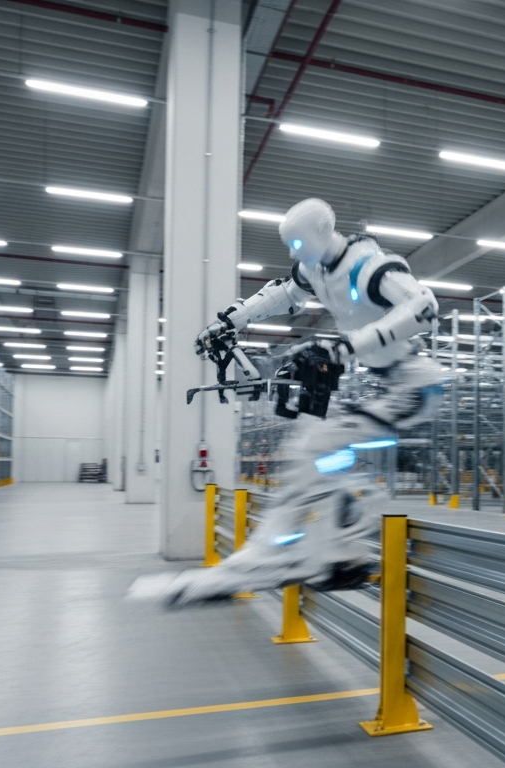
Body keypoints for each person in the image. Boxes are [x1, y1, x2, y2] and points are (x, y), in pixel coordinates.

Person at [129, 198, 442, 607]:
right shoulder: (315, 268)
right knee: (315, 450)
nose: (294, 252)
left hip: (414, 384)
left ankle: (302, 548)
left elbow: (425, 310)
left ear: (321, 233)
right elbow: (281, 294)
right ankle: (341, 550)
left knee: (319, 449)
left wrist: (345, 347)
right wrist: (229, 320)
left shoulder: (369, 267)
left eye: (298, 241)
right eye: (289, 245)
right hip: (385, 383)